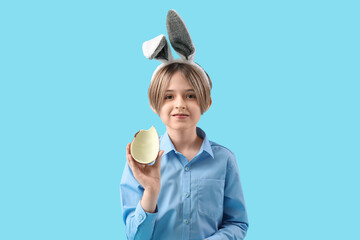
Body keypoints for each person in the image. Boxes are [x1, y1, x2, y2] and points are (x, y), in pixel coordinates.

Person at [120, 10, 248, 240]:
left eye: (190, 96)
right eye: (169, 96)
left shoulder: (225, 159)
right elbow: (135, 237)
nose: (180, 104)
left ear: (206, 102)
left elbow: (237, 223)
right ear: (154, 104)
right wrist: (151, 191)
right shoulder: (140, 164)